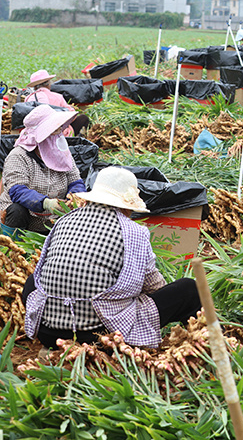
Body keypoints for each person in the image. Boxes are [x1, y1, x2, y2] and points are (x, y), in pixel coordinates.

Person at [22, 167, 202, 349]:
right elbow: (152, 286)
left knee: (31, 282)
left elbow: (42, 272)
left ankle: (50, 340)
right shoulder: (134, 232)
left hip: (47, 333)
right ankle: (201, 339)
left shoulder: (64, 220)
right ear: (126, 205)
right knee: (189, 289)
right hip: (102, 335)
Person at [0, 105, 86, 236]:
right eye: (52, 132)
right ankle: (11, 246)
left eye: (58, 131)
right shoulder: (18, 156)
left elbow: (75, 180)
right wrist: (46, 203)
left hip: (55, 219)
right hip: (25, 217)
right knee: (17, 210)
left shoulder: (62, 154)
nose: (58, 136)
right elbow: (17, 191)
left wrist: (74, 197)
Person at [24, 70, 90, 136]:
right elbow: (72, 116)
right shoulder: (57, 97)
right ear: (48, 84)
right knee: (83, 118)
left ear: (35, 87)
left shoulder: (29, 98)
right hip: (57, 133)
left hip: (35, 133)